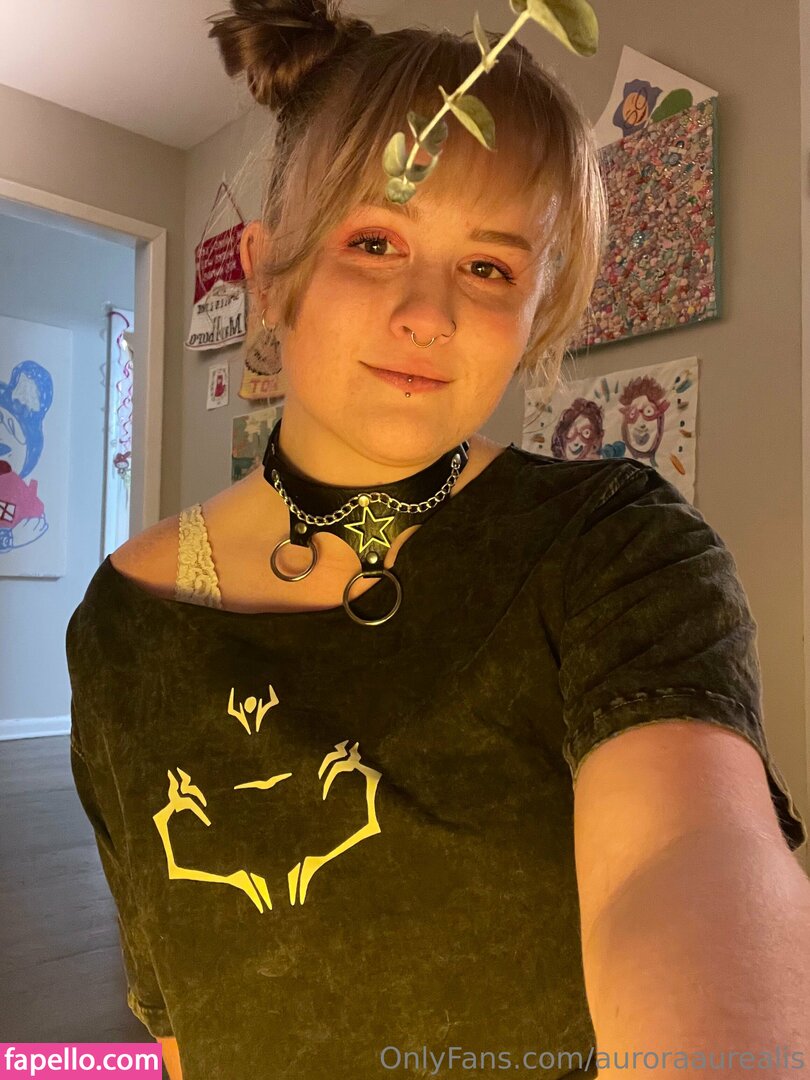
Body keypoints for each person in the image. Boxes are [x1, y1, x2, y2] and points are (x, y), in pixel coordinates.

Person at [66, 2, 808, 1078]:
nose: (431, 314)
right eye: (375, 243)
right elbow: (176, 1012)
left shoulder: (617, 552)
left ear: (538, 308)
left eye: (489, 268)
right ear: (269, 275)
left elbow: (685, 858)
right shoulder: (121, 628)